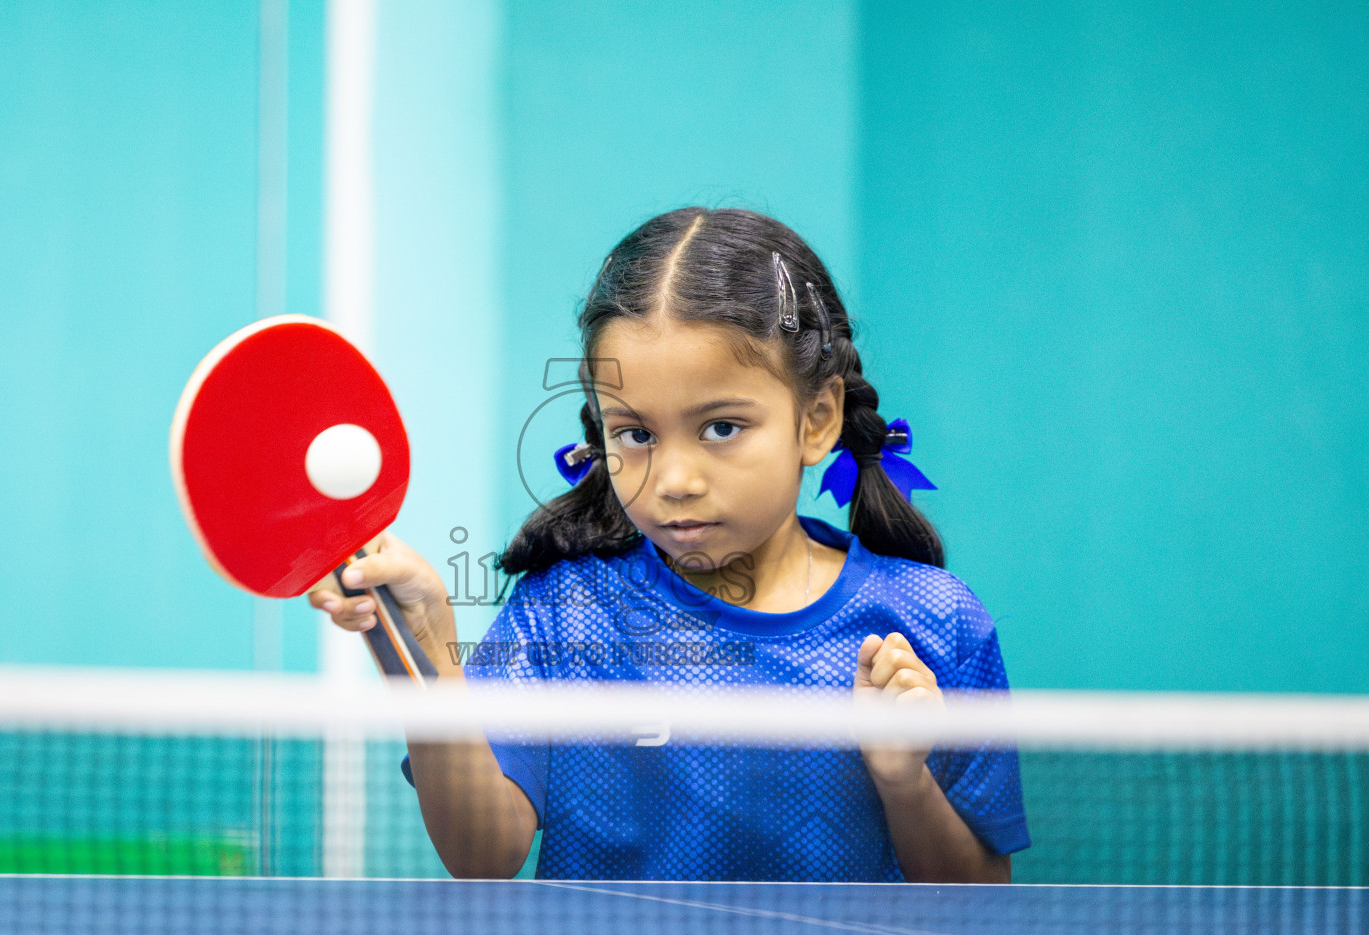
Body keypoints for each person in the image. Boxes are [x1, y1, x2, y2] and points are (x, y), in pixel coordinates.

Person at [311, 207, 1029, 882]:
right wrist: (424, 655)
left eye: (721, 428)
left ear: (816, 419)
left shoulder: (936, 621)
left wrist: (905, 782)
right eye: (636, 434)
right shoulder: (563, 612)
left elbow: (978, 898)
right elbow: (482, 854)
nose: (674, 481)